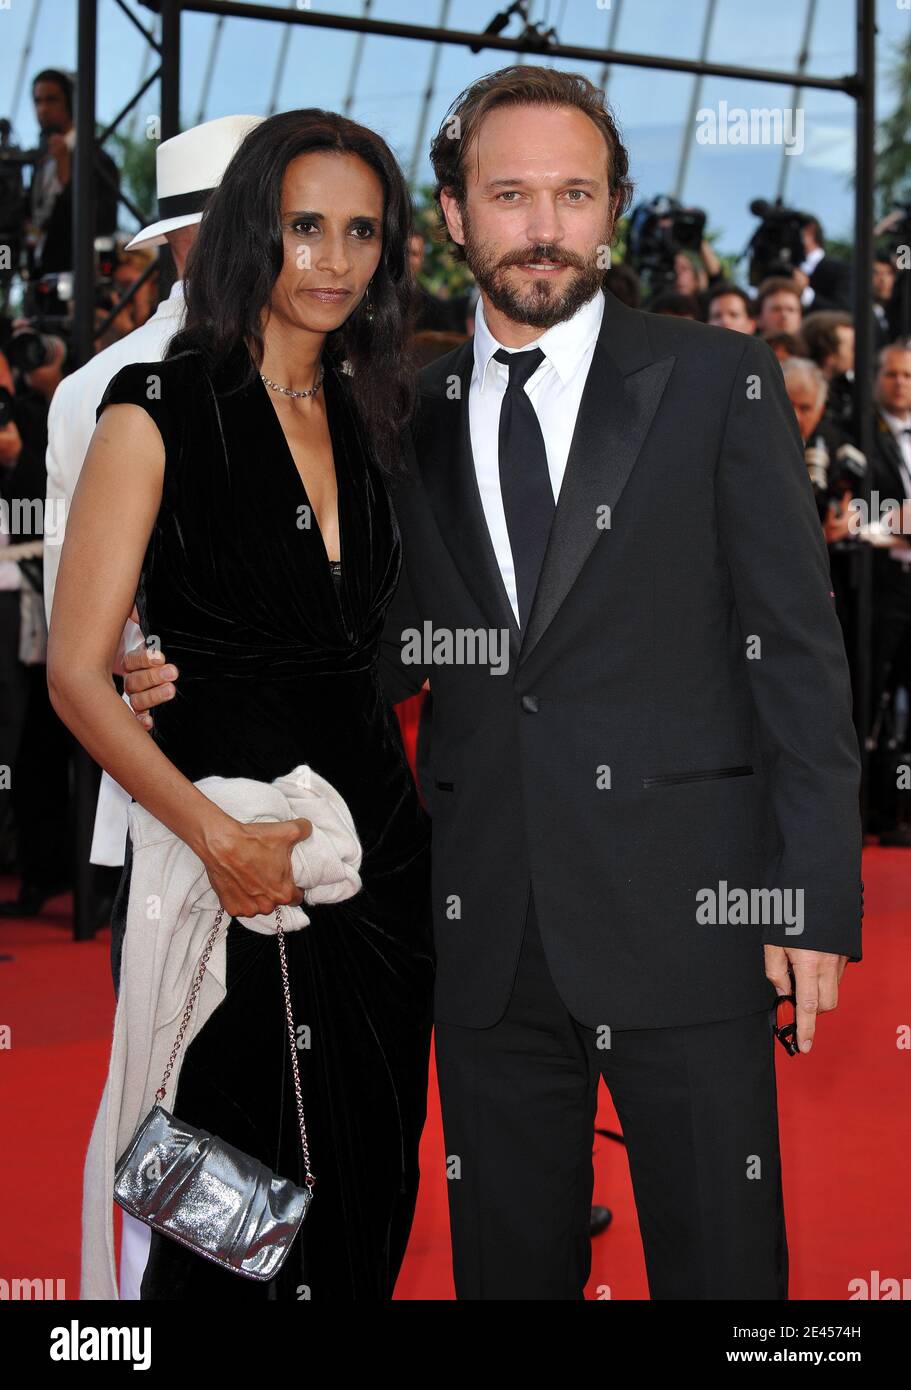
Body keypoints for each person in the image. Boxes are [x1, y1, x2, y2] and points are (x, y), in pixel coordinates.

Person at [129, 66, 864, 1302]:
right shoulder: (394, 407)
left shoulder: (714, 384)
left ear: (613, 207)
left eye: (573, 195)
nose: (542, 225)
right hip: (478, 924)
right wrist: (187, 670)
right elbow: (363, 640)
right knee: (507, 1267)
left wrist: (808, 897)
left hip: (691, 910)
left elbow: (796, 655)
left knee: (722, 1266)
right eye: (508, 193)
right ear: (456, 217)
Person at [47, 108, 434, 1300]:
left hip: (378, 868)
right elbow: (72, 670)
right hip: (227, 862)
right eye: (300, 226)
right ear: (240, 234)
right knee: (224, 1215)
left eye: (360, 231)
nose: (331, 258)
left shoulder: (376, 416)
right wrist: (214, 838)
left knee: (364, 1191)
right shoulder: (152, 405)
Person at [26, 68, 119, 278]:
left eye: (52, 100)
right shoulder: (40, 158)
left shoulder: (97, 159)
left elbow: (105, 222)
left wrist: (67, 174)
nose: (43, 109)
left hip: (80, 281)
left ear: (71, 102)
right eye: (38, 101)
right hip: (41, 277)